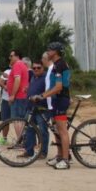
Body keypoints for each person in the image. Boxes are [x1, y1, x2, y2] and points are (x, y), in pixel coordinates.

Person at [33, 42, 71, 170]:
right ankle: (60, 156)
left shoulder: (60, 65)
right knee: (55, 129)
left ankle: (65, 159)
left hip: (61, 99)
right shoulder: (56, 65)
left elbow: (58, 87)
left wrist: (42, 96)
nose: (47, 52)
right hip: (55, 100)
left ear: (56, 52)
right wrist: (43, 95)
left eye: (50, 50)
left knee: (62, 130)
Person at [0, 50, 29, 145]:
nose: (9, 58)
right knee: (19, 120)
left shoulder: (18, 65)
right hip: (21, 96)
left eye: (11, 56)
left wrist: (12, 95)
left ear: (17, 56)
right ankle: (21, 141)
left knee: (17, 120)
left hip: (19, 97)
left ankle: (21, 141)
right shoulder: (21, 65)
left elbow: (17, 80)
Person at [20, 58, 49, 159]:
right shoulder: (33, 77)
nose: (36, 69)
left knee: (43, 131)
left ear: (43, 68)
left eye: (38, 68)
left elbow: (49, 91)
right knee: (29, 129)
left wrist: (39, 96)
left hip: (42, 108)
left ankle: (43, 152)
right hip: (31, 108)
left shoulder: (46, 77)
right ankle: (29, 151)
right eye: (34, 68)